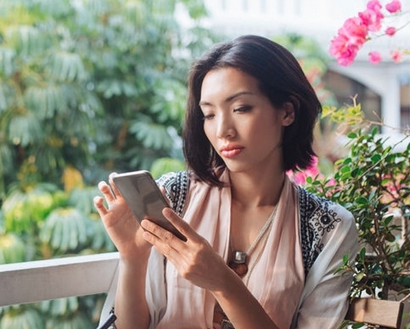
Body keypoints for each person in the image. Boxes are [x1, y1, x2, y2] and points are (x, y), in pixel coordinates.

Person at [93, 35, 359, 329]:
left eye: (241, 108)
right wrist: (133, 258)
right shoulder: (173, 198)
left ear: (287, 111)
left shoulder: (328, 228)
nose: (223, 131)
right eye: (208, 114)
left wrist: (222, 282)